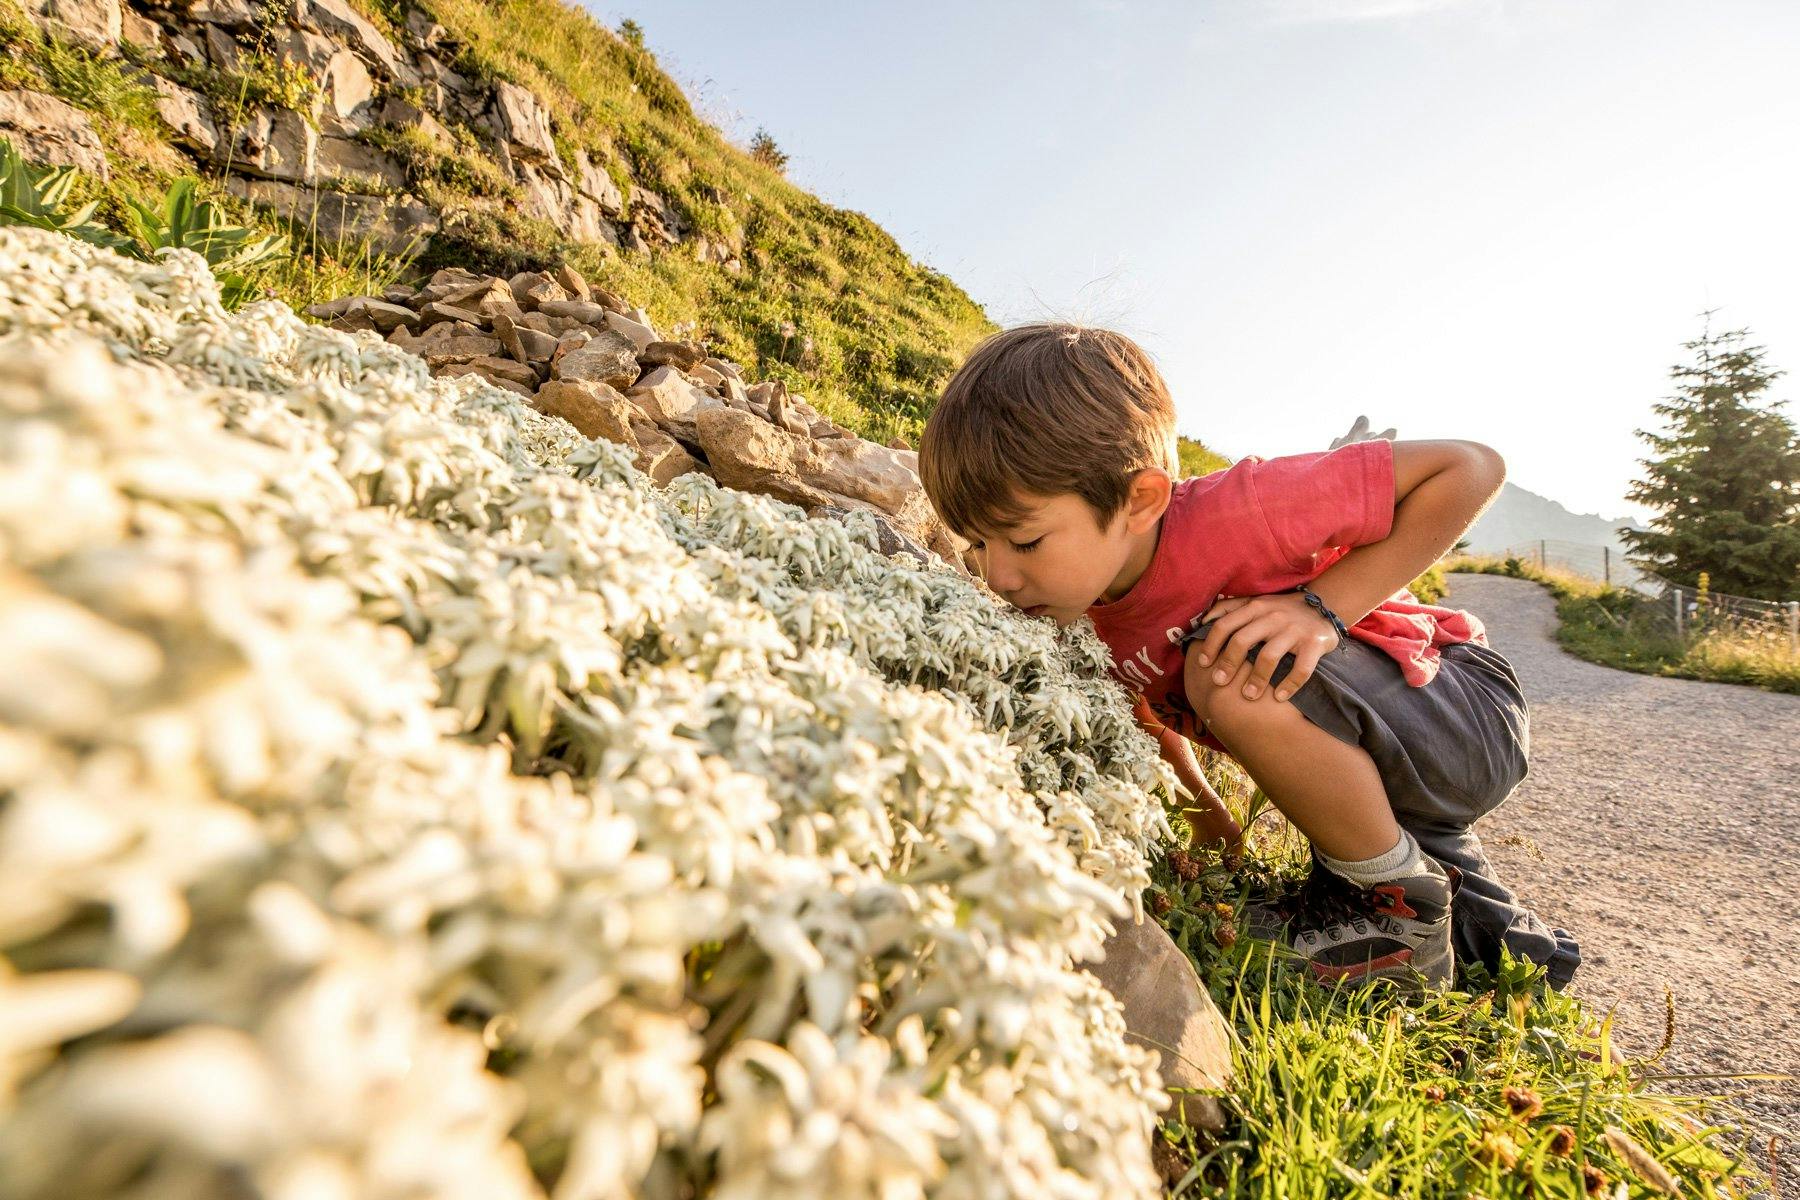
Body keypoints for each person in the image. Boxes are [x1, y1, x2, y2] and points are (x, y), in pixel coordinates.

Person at [918, 323, 1579, 988]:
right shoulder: (1077, 611)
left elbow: (1471, 465)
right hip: (1379, 768)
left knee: (1223, 669)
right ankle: (1496, 951)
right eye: (976, 544)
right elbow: (1138, 718)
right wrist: (1209, 818)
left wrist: (1321, 611)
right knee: (1489, 950)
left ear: (1139, 500)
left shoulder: (1244, 509)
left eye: (1025, 542)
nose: (995, 575)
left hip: (1455, 708)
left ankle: (1391, 914)